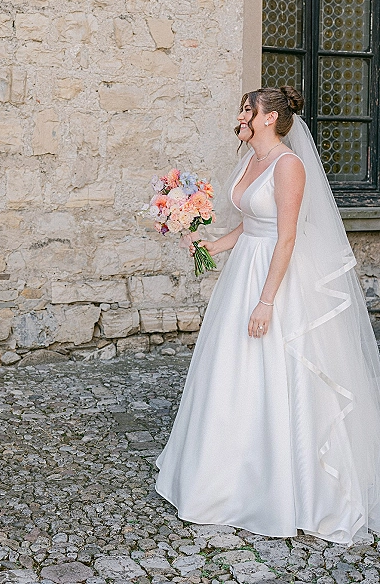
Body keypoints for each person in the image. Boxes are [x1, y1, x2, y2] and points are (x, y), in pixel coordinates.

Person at [155, 86, 380, 544]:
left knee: (278, 370)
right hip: (244, 272)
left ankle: (289, 486)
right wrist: (210, 245)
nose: (240, 115)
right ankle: (222, 474)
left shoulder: (289, 165)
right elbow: (252, 224)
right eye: (241, 107)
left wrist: (267, 300)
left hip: (277, 278)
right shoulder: (250, 161)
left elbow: (286, 237)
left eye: (247, 110)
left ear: (270, 117)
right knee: (231, 370)